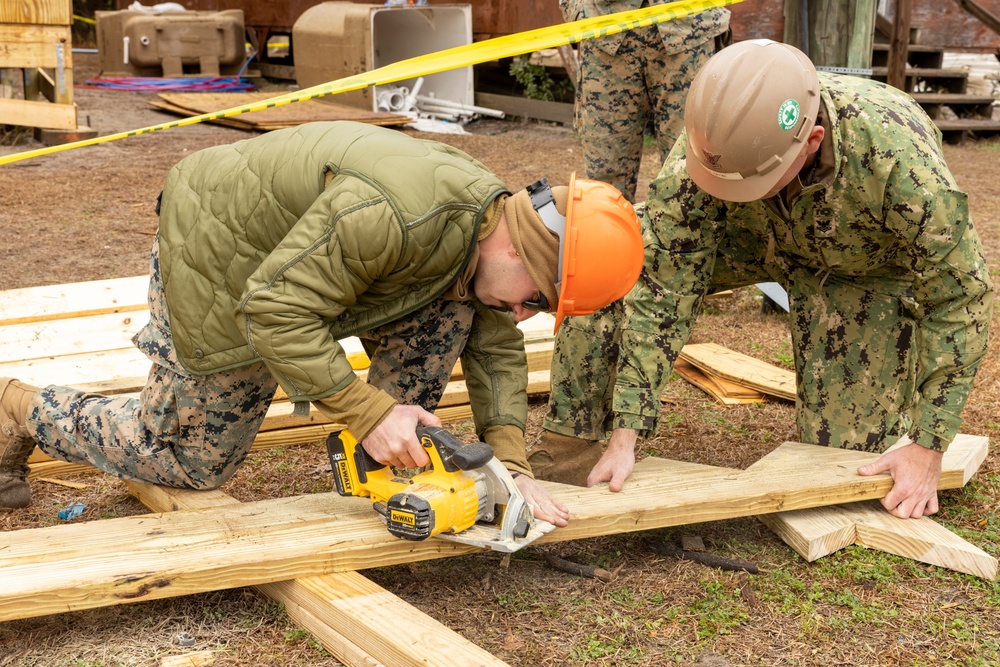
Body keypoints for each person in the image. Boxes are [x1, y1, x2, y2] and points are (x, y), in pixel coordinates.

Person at [0, 121, 643, 527]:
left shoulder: (488, 224)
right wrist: (366, 409)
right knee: (185, 460)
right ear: (518, 250)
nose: (528, 314)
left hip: (312, 264)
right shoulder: (394, 216)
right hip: (224, 253)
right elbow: (274, 309)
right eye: (537, 300)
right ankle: (15, 408)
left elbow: (496, 346)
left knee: (459, 314)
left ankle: (396, 466)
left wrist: (510, 466)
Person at [530, 40, 994, 520]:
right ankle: (572, 440)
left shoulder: (900, 164)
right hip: (752, 236)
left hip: (861, 267)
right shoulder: (716, 138)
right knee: (611, 260)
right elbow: (666, 287)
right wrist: (628, 432)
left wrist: (928, 445)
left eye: (746, 180)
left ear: (812, 142)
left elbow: (961, 298)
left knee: (843, 461)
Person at [559, 0, 731, 203]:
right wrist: (576, 9)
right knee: (604, 181)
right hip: (605, 27)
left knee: (692, 172)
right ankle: (611, 233)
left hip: (689, 28)